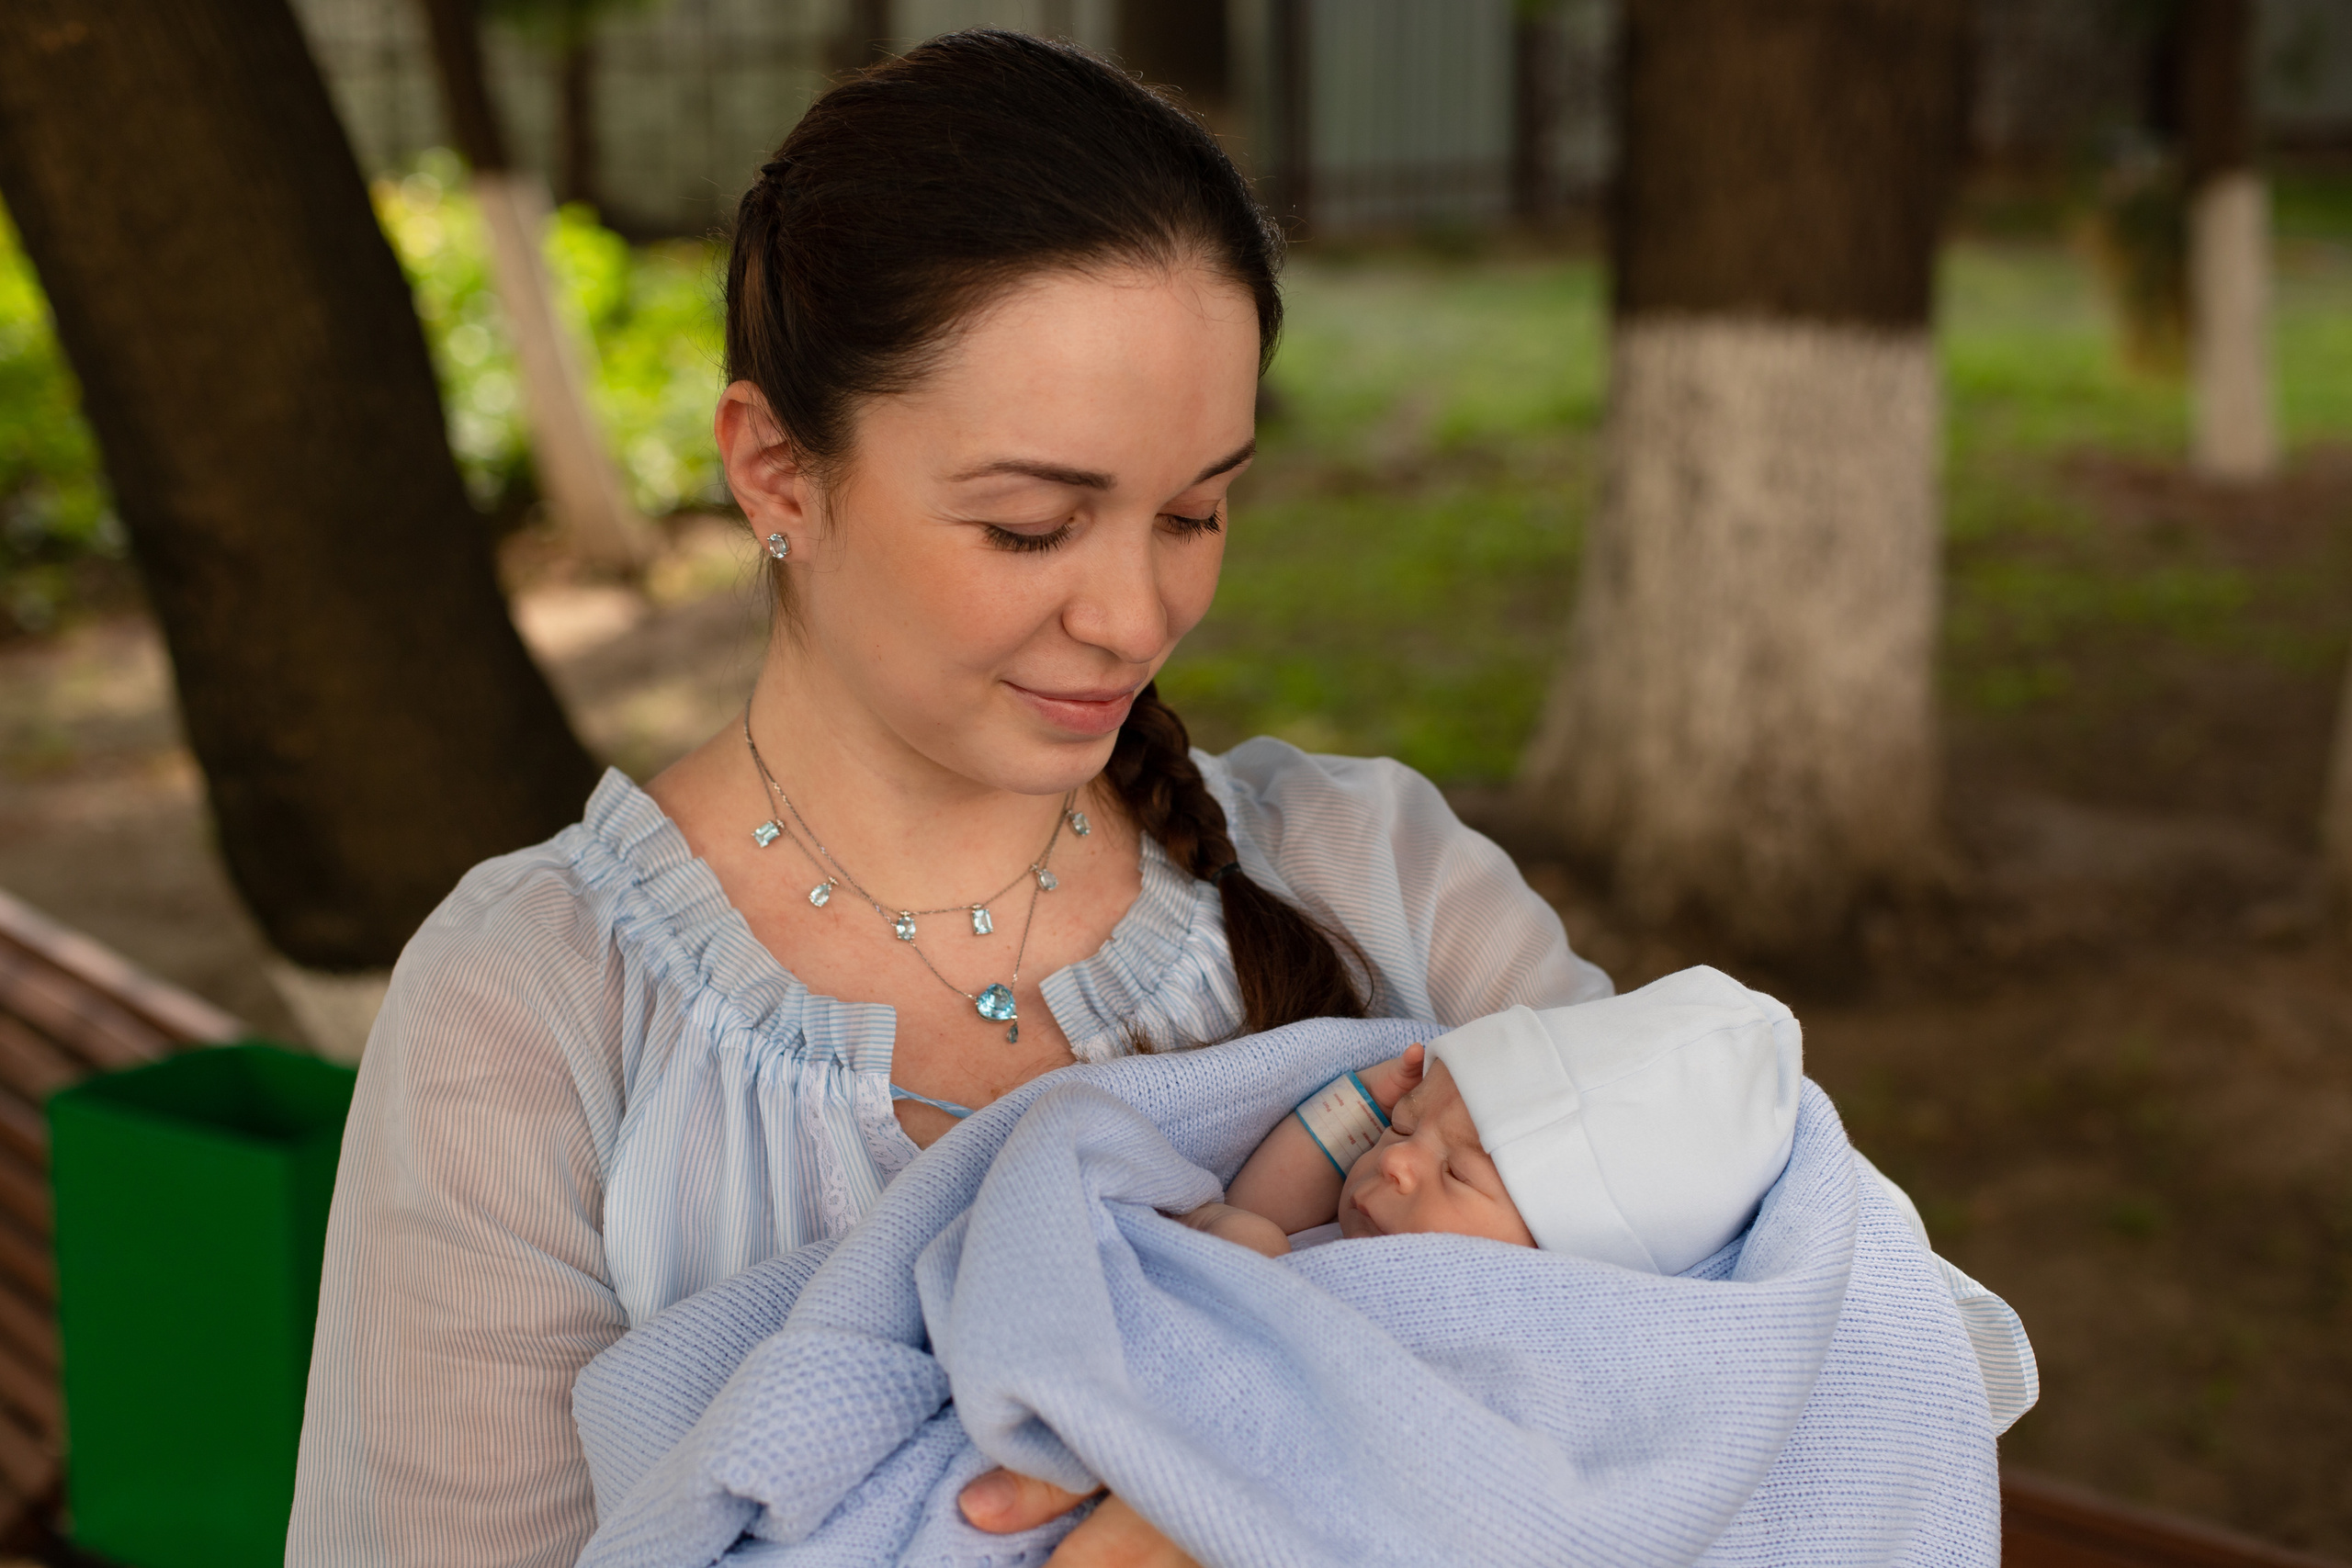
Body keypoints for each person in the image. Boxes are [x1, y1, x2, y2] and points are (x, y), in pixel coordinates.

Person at [288, 29, 1609, 1568]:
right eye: (1033, 526)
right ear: (777, 470)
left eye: (1197, 509)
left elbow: (1756, 1346)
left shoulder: (1386, 880)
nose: (1136, 614)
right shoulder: (535, 1013)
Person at [1181, 965, 1802, 1266]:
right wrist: (1366, 1099)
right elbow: (1257, 1207)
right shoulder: (1348, 1240)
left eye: (1459, 1174)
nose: (1395, 1159)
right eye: (1402, 1123)